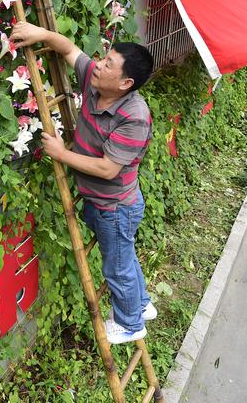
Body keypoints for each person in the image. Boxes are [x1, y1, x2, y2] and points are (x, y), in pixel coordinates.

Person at [10, 21, 156, 344]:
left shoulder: (135, 117)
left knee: (117, 268)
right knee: (124, 256)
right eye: (105, 58)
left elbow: (107, 169)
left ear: (126, 82)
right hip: (102, 205)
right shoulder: (95, 80)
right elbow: (69, 50)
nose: (99, 64)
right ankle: (142, 304)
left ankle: (131, 323)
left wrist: (61, 154)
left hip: (116, 208)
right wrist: (44, 35)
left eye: (109, 65)